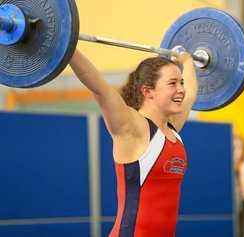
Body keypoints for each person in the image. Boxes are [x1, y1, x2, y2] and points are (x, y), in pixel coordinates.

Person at [69, 49, 197, 237]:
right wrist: (68, 46)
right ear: (147, 91)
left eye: (181, 82)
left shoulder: (172, 128)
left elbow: (192, 92)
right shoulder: (132, 127)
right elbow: (98, 87)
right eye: (172, 83)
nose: (181, 89)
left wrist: (188, 60)